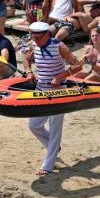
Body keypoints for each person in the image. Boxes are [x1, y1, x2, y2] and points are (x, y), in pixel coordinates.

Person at [23, 22, 83, 176]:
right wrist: (29, 71)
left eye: (37, 37)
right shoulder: (34, 44)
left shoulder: (59, 46)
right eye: (32, 37)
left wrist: (60, 77)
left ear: (46, 35)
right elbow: (26, 59)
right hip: (40, 90)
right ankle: (54, 147)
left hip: (58, 92)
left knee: (55, 128)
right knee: (33, 125)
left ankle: (47, 166)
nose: (34, 40)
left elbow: (78, 65)